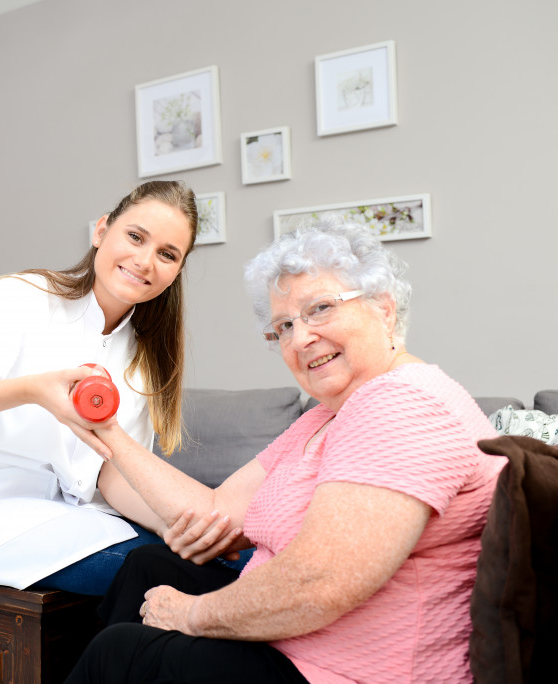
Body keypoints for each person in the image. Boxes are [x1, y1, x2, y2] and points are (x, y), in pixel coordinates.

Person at [66, 221, 507, 683]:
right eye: (284, 326)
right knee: (149, 565)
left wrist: (190, 615)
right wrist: (107, 432)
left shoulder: (403, 405)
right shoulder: (326, 415)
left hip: (346, 670)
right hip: (298, 641)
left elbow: (319, 583)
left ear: (383, 309)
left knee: (122, 654)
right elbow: (216, 512)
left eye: (320, 309)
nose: (299, 339)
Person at [0, 180, 200, 594]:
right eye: (135, 236)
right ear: (102, 230)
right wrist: (33, 390)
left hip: (82, 517)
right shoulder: (19, 298)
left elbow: (109, 473)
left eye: (166, 254)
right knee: (173, 577)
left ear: (177, 270)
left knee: (224, 561)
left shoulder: (144, 354)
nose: (145, 261)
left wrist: (180, 527)